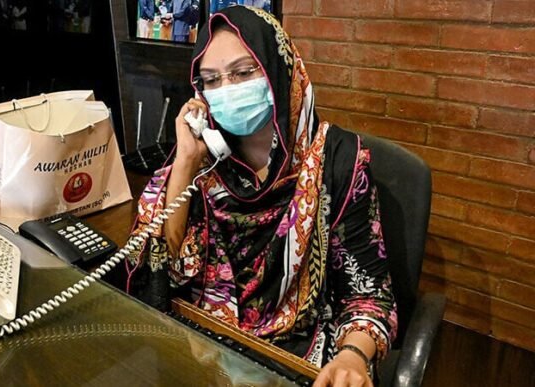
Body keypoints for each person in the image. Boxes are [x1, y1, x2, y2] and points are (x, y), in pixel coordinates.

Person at [127, 6, 397, 386]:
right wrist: (186, 161)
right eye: (210, 80)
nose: (227, 90)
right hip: (204, 345)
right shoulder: (201, 161)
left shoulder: (338, 161)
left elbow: (367, 295)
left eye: (242, 73)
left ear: (278, 68)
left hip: (294, 350)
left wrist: (352, 356)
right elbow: (158, 271)